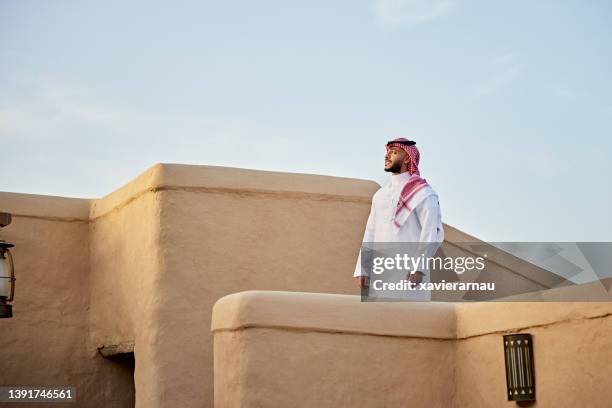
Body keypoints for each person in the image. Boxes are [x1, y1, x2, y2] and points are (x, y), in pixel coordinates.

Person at [353, 138, 444, 297]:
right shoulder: (380, 195)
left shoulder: (423, 193)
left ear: (408, 157)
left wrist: (419, 268)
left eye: (394, 152)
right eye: (387, 152)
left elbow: (431, 233)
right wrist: (363, 268)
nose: (387, 156)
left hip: (409, 275)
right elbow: (370, 233)